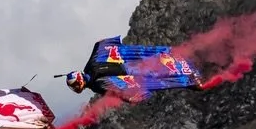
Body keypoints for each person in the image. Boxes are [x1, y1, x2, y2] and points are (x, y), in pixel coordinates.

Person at [65, 37, 205, 103]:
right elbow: (100, 46)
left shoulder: (98, 83)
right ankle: (181, 63)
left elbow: (115, 90)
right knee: (155, 66)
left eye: (75, 85)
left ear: (79, 79)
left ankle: (189, 80)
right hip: (128, 65)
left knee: (157, 77)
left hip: (129, 73)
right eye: (74, 87)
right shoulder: (90, 66)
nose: (76, 88)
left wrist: (129, 98)